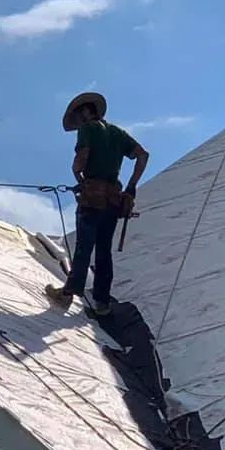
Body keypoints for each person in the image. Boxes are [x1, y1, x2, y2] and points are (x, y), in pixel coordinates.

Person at [45, 92, 148, 316]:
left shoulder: (88, 129)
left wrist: (77, 175)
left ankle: (67, 294)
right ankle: (102, 302)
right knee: (104, 251)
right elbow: (143, 156)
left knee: (84, 246)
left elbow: (80, 159)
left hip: (92, 198)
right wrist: (131, 187)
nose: (79, 123)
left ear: (85, 112)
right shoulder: (117, 133)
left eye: (79, 117)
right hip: (113, 200)